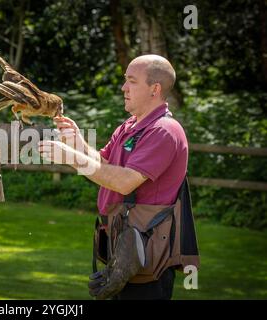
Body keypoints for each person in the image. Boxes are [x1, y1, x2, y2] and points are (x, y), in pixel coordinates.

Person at [39, 54, 192, 300]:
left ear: (155, 89)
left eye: (132, 81)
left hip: (147, 259)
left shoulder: (164, 131)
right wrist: (78, 143)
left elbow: (124, 181)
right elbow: (106, 164)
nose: (123, 87)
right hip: (122, 251)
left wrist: (70, 157)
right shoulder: (130, 126)